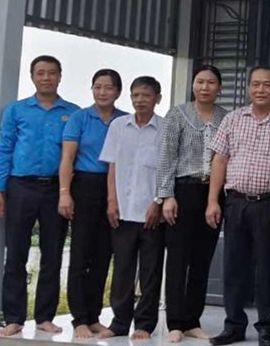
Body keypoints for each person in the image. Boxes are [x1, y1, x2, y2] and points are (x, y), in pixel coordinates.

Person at [206, 66, 270, 346]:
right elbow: (220, 160)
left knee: (267, 267)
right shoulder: (233, 119)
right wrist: (213, 200)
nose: (260, 90)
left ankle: (266, 327)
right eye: (256, 84)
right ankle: (234, 325)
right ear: (249, 87)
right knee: (234, 267)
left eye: (267, 85)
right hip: (235, 202)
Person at [0, 55, 79, 337]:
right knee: (16, 253)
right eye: (40, 73)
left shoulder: (72, 113)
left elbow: (75, 155)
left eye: (51, 73)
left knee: (52, 255)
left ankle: (44, 317)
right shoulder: (16, 111)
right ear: (32, 77)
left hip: (57, 189)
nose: (46, 78)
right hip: (20, 187)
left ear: (60, 76)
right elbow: (4, 149)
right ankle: (14, 318)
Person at [157, 65, 228, 343]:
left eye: (211, 82)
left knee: (202, 258)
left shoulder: (227, 117)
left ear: (219, 88)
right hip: (182, 191)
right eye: (200, 82)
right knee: (177, 258)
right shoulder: (177, 114)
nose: (205, 87)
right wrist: (166, 194)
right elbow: (166, 155)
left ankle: (192, 320)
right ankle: (174, 321)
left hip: (213, 194)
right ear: (193, 85)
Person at [58, 69, 126, 338]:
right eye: (97, 87)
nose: (102, 92)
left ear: (118, 92)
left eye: (108, 88)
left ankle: (95, 315)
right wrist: (65, 192)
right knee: (80, 254)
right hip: (84, 186)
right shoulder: (79, 118)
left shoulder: (124, 120)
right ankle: (79, 319)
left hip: (115, 189)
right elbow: (67, 158)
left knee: (103, 255)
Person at [97, 76, 165, 340]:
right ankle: (119, 322)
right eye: (135, 95)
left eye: (146, 95)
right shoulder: (118, 126)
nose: (140, 100)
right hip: (123, 211)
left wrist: (158, 203)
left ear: (157, 98)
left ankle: (145, 324)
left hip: (152, 212)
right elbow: (112, 166)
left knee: (150, 271)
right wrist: (112, 201)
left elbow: (166, 170)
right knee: (123, 269)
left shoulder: (165, 129)